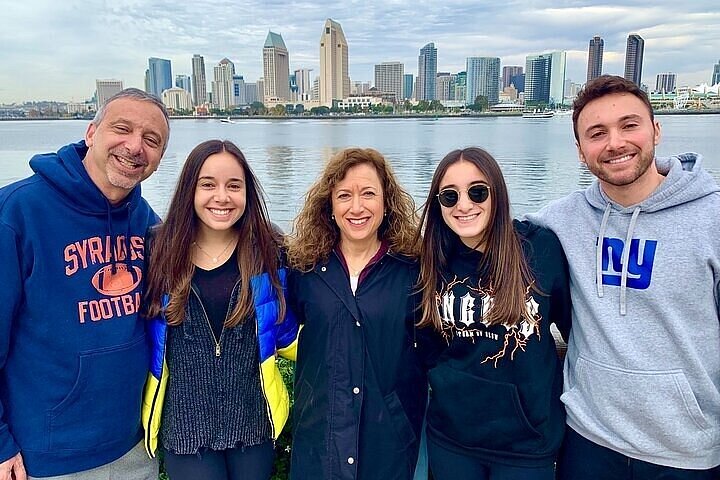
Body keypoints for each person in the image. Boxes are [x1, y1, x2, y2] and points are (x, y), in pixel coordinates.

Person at [526, 74, 720, 479]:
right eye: (597, 134)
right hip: (589, 441)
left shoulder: (711, 218)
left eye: (629, 125)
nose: (615, 143)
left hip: (686, 452)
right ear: (581, 152)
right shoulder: (562, 220)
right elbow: (483, 233)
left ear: (656, 130)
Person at [0, 88, 170, 480]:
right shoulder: (20, 212)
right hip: (43, 459)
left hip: (134, 449)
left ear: (159, 159)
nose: (134, 147)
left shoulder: (148, 223)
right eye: (122, 129)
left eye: (151, 140)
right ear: (91, 133)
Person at [141, 139, 299, 480]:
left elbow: (290, 326)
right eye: (208, 185)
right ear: (189, 191)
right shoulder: (157, 250)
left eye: (234, 186)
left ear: (247, 193)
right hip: (185, 429)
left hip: (253, 423)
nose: (222, 197)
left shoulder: (270, 250)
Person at [415, 147, 571, 480]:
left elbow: (574, 327)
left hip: (527, 445)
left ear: (496, 194)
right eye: (450, 196)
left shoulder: (539, 250)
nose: (464, 205)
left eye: (477, 191)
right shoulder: (432, 260)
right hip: (452, 439)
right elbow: (428, 346)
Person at [285, 147, 427, 480]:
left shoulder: (414, 269)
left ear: (386, 202)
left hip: (389, 440)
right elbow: (276, 327)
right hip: (320, 435)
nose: (357, 206)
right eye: (344, 195)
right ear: (330, 206)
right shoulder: (304, 270)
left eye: (368, 194)